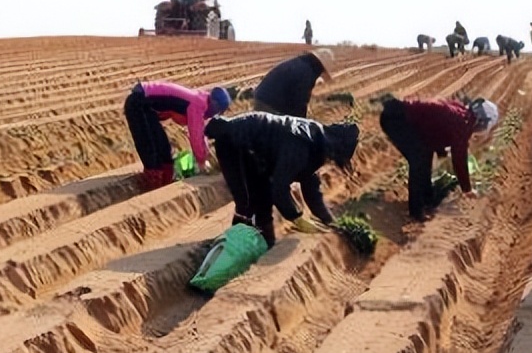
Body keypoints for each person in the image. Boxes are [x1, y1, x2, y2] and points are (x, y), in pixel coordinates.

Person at [204, 111, 360, 247]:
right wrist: (295, 217)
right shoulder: (302, 147)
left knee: (259, 198)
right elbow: (279, 187)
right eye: (333, 159)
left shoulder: (316, 142)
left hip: (250, 145)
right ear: (334, 150)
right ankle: (238, 243)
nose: (330, 162)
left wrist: (330, 222)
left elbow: (311, 189)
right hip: (235, 141)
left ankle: (255, 240)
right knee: (251, 198)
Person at [379, 94, 499, 221]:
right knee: (419, 160)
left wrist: (441, 151)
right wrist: (467, 189)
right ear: (481, 121)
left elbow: (436, 127)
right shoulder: (462, 124)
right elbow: (459, 160)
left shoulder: (462, 114)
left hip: (400, 115)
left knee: (425, 154)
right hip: (396, 119)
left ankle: (427, 199)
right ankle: (416, 211)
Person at [123, 81, 232, 190]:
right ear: (215, 106)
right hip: (138, 102)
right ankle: (151, 186)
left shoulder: (201, 102)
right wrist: (202, 162)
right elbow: (196, 135)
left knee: (165, 153)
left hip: (148, 110)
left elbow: (201, 132)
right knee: (150, 150)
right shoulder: (198, 104)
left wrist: (205, 156)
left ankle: (163, 183)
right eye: (218, 111)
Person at [252, 49, 338, 118]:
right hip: (270, 105)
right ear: (320, 66)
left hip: (262, 98)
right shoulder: (307, 72)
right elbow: (299, 101)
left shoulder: (301, 63)